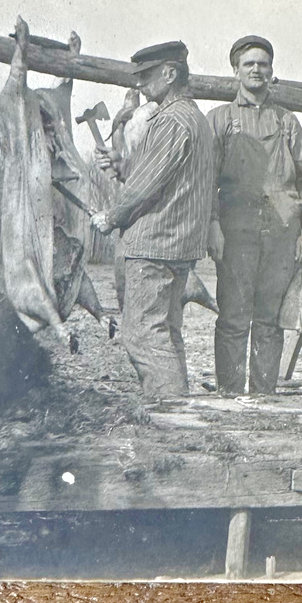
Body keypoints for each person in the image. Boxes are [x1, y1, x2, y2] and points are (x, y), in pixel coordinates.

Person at [91, 40, 215, 398]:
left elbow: (144, 186)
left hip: (155, 242)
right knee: (165, 331)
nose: (140, 86)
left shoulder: (171, 121)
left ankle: (168, 411)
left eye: (146, 76)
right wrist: (122, 165)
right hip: (176, 243)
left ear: (170, 73)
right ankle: (176, 410)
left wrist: (111, 217)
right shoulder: (194, 118)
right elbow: (158, 177)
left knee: (143, 333)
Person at [207, 36, 302, 395]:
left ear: (272, 71)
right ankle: (230, 393)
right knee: (234, 318)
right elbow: (206, 179)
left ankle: (263, 395)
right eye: (249, 64)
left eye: (263, 64)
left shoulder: (287, 121)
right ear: (235, 71)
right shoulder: (220, 120)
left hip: (282, 232)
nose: (257, 69)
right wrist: (213, 226)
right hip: (236, 231)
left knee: (269, 320)